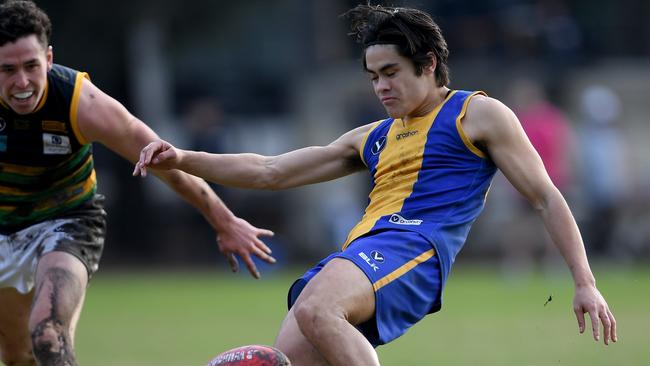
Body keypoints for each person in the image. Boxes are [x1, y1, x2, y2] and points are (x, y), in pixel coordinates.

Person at [134, 4, 617, 365]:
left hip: (415, 249)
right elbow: (270, 170)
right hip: (363, 251)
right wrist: (182, 157)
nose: (381, 86)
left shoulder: (478, 114)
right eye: (373, 77)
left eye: (391, 73)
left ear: (428, 64)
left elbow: (545, 196)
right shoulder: (374, 136)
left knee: (317, 308)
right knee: (293, 354)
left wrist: (584, 282)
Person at [0, 1, 275, 365]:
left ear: (49, 59)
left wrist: (223, 220)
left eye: (31, 66)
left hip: (65, 222)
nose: (22, 83)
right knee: (18, 355)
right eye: (7, 70)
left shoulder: (82, 103)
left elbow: (162, 159)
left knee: (48, 334)